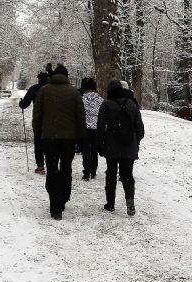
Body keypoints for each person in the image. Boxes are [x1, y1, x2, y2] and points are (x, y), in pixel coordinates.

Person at [32, 64, 86, 220]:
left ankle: (55, 206)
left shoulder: (44, 91)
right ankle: (63, 197)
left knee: (52, 169)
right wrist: (81, 136)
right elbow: (80, 117)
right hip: (69, 139)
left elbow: (37, 116)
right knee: (66, 168)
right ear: (67, 76)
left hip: (49, 137)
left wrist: (38, 133)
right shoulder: (74, 92)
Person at [96, 79, 145, 216]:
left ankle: (110, 203)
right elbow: (140, 128)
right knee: (127, 175)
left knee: (111, 173)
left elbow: (100, 127)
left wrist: (99, 144)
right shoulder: (132, 104)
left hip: (112, 145)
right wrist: (136, 142)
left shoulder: (106, 105)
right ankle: (130, 203)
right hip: (130, 145)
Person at [19, 71, 49, 175]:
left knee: (39, 143)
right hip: (53, 120)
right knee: (51, 143)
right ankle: (51, 164)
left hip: (39, 120)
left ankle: (40, 166)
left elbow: (24, 104)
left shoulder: (35, 88)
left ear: (39, 79)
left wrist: (21, 103)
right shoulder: (54, 88)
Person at [80, 78, 103, 181]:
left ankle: (86, 172)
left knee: (86, 150)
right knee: (94, 150)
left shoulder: (82, 99)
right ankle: (93, 171)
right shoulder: (100, 100)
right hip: (97, 128)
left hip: (85, 128)